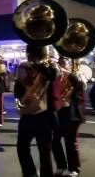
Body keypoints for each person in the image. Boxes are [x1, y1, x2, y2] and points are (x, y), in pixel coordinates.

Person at [14, 45, 60, 177]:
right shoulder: (24, 66)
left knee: (41, 151)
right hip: (31, 114)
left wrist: (40, 65)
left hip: (42, 114)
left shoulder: (49, 67)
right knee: (26, 149)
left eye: (29, 53)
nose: (28, 55)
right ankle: (31, 173)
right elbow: (18, 90)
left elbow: (54, 75)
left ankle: (33, 173)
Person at [52, 57, 85, 177]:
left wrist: (68, 73)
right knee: (54, 141)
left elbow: (80, 85)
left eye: (63, 64)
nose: (61, 66)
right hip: (59, 112)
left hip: (72, 113)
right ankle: (61, 165)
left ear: (69, 65)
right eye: (59, 64)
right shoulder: (57, 77)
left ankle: (74, 168)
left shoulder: (76, 76)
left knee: (69, 142)